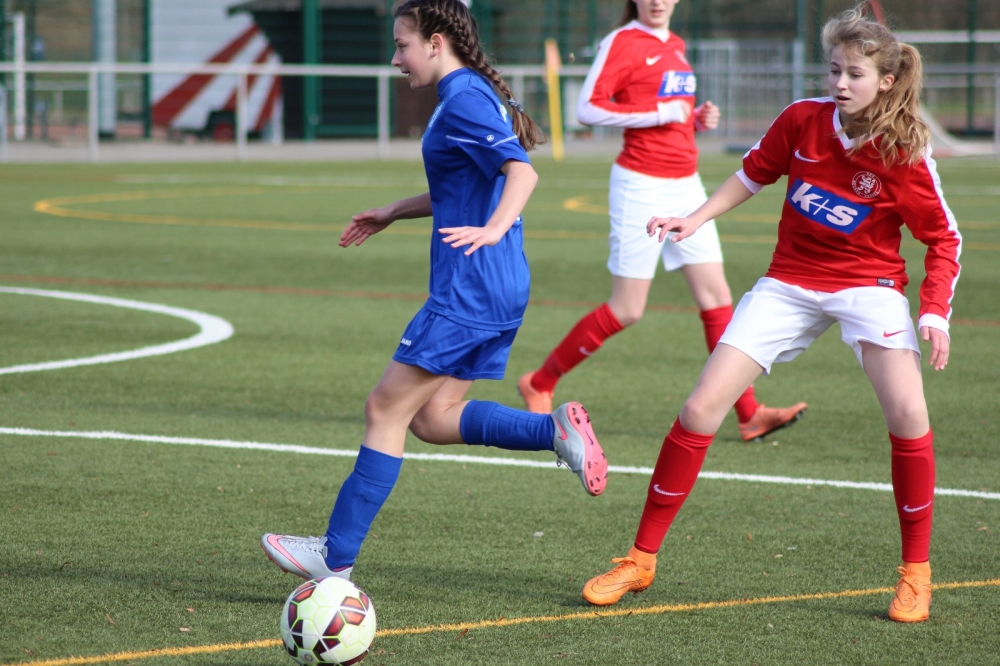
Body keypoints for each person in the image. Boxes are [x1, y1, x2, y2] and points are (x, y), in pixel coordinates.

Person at [580, 6, 962, 624]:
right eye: (834, 70)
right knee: (700, 408)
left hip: (868, 287)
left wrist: (934, 312)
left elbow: (943, 239)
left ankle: (916, 572)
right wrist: (695, 218)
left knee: (909, 413)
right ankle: (640, 559)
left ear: (886, 80)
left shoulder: (905, 151)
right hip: (789, 282)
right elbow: (752, 174)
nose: (840, 83)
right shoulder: (802, 119)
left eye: (855, 74)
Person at [261, 0, 608, 583]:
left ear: (436, 42)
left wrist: (493, 229)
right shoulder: (468, 93)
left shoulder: (465, 97)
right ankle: (553, 431)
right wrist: (395, 211)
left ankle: (334, 556)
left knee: (384, 409)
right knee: (432, 417)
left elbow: (521, 172)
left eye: (402, 45)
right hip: (497, 286)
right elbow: (462, 184)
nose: (396, 58)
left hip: (470, 287)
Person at [517, 0, 807, 442]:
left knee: (716, 296)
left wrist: (695, 121)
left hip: (686, 185)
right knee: (627, 308)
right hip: (640, 185)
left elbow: (671, 115)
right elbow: (588, 109)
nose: (657, 1)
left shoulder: (676, 44)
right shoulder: (621, 41)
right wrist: (659, 114)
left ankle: (749, 414)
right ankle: (539, 382)